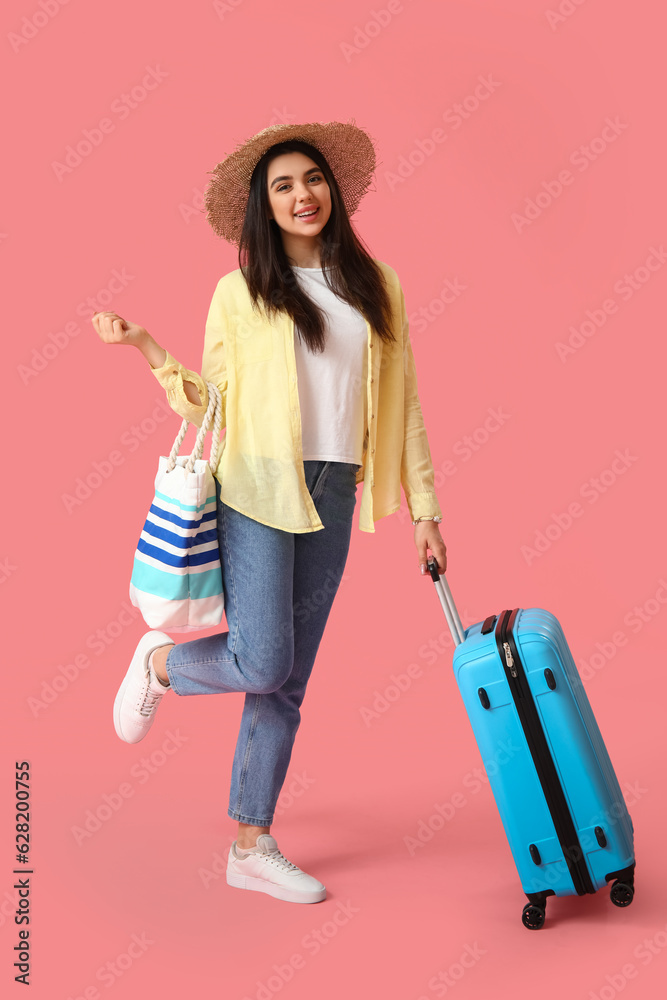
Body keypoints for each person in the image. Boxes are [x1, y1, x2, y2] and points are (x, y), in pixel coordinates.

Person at [92, 119, 447, 905]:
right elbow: (216, 401)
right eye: (283, 185)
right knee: (263, 659)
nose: (301, 194)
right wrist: (151, 350)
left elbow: (405, 402)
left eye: (312, 179)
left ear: (334, 190)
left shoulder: (376, 284)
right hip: (254, 484)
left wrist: (425, 507)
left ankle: (251, 843)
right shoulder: (240, 291)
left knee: (287, 680)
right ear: (264, 204)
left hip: (334, 484)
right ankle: (159, 664)